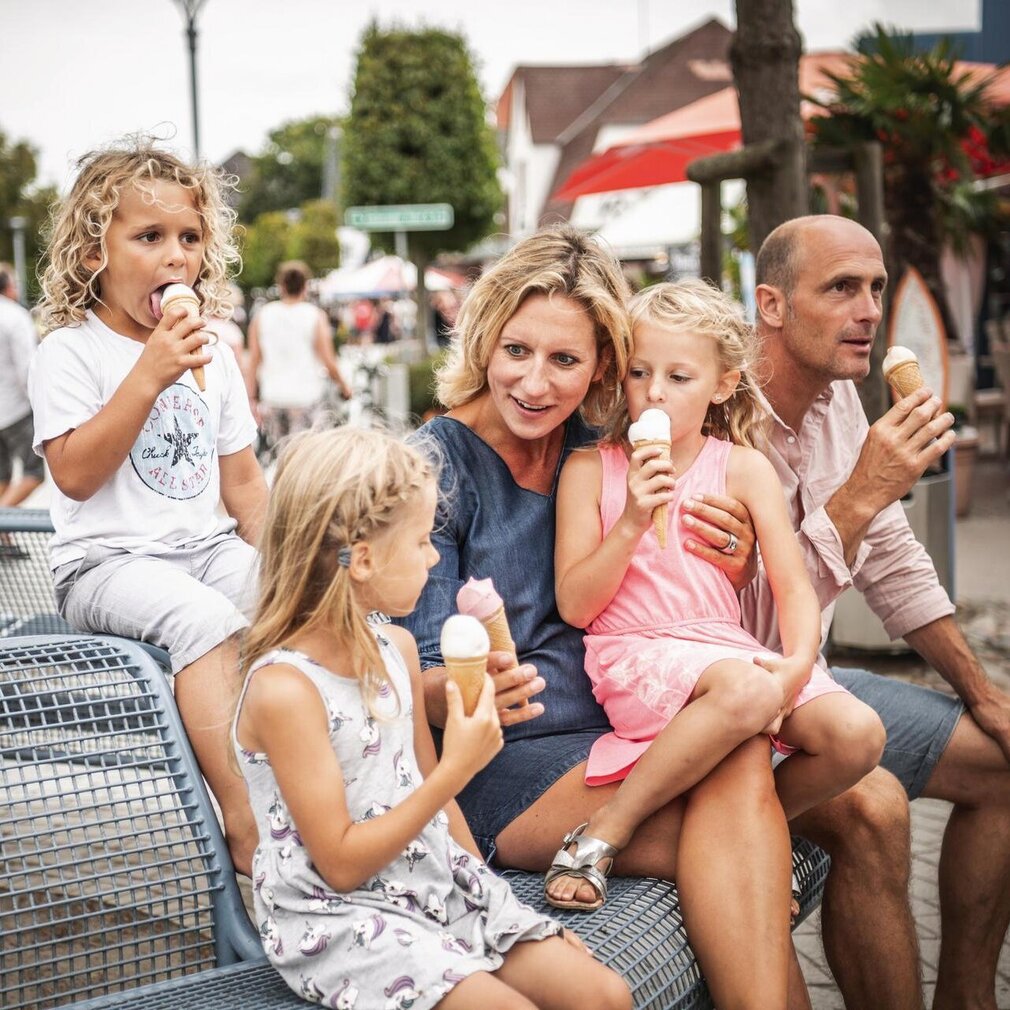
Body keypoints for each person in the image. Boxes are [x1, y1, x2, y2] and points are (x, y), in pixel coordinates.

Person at [400, 226, 811, 1010]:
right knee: (743, 827)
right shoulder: (434, 470)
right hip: (509, 765)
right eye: (516, 350)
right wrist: (467, 684)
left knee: (752, 807)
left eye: (566, 360)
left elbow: (692, 576)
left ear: (601, 369)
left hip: (632, 732)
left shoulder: (602, 447)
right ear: (485, 337)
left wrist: (740, 556)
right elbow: (410, 675)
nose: (534, 383)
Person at [235, 426, 631, 1010]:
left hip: (426, 877)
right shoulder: (285, 690)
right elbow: (340, 863)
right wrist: (459, 768)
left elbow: (436, 804)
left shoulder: (394, 651)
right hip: (341, 917)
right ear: (363, 560)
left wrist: (493, 899)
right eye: (422, 543)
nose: (432, 559)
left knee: (603, 996)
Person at [721, 213, 1010, 1010]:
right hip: (731, 710)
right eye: (842, 287)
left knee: (1004, 755)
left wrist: (984, 693)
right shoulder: (717, 416)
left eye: (876, 287)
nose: (870, 309)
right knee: (876, 810)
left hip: (815, 688)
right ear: (772, 306)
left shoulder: (841, 398)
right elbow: (747, 640)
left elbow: (893, 562)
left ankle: (967, 998)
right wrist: (858, 497)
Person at [547, 280, 884, 934]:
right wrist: (632, 522)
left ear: (723, 384)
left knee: (858, 735)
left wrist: (797, 664)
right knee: (746, 692)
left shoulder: (743, 468)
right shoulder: (592, 471)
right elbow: (576, 605)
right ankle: (606, 831)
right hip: (637, 647)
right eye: (641, 372)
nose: (655, 392)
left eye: (679, 376)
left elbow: (792, 588)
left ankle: (757, 834)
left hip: (728, 650)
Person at [28, 139, 267, 876]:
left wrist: (294, 562)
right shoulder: (71, 351)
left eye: (189, 238)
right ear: (93, 249)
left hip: (207, 547)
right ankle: (245, 823)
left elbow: (245, 486)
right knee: (205, 623)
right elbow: (72, 474)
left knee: (297, 605)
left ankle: (315, 791)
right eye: (149, 236)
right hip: (104, 564)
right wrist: (150, 372)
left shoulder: (216, 352)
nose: (175, 256)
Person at [246, 260, 352, 458]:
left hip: (273, 396)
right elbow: (328, 360)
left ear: (281, 286)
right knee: (304, 459)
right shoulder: (314, 316)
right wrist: (344, 386)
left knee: (280, 457)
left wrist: (250, 397)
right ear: (305, 286)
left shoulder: (263, 315)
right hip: (306, 397)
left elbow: (253, 360)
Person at [0, 263, 44, 508]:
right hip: (15, 410)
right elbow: (27, 369)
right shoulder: (14, 316)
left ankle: (3, 540)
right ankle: (3, 524)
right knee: (34, 473)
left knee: (2, 478)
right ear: (7, 287)